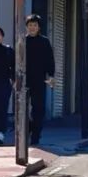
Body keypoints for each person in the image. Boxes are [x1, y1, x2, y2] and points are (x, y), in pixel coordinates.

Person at [24, 12, 55, 145]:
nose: (32, 28)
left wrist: (51, 75)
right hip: (25, 79)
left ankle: (36, 135)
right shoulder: (22, 41)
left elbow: (50, 60)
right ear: (27, 27)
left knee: (39, 108)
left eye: (34, 25)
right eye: (30, 25)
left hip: (40, 79)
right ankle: (28, 129)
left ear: (39, 27)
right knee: (24, 108)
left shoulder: (44, 41)